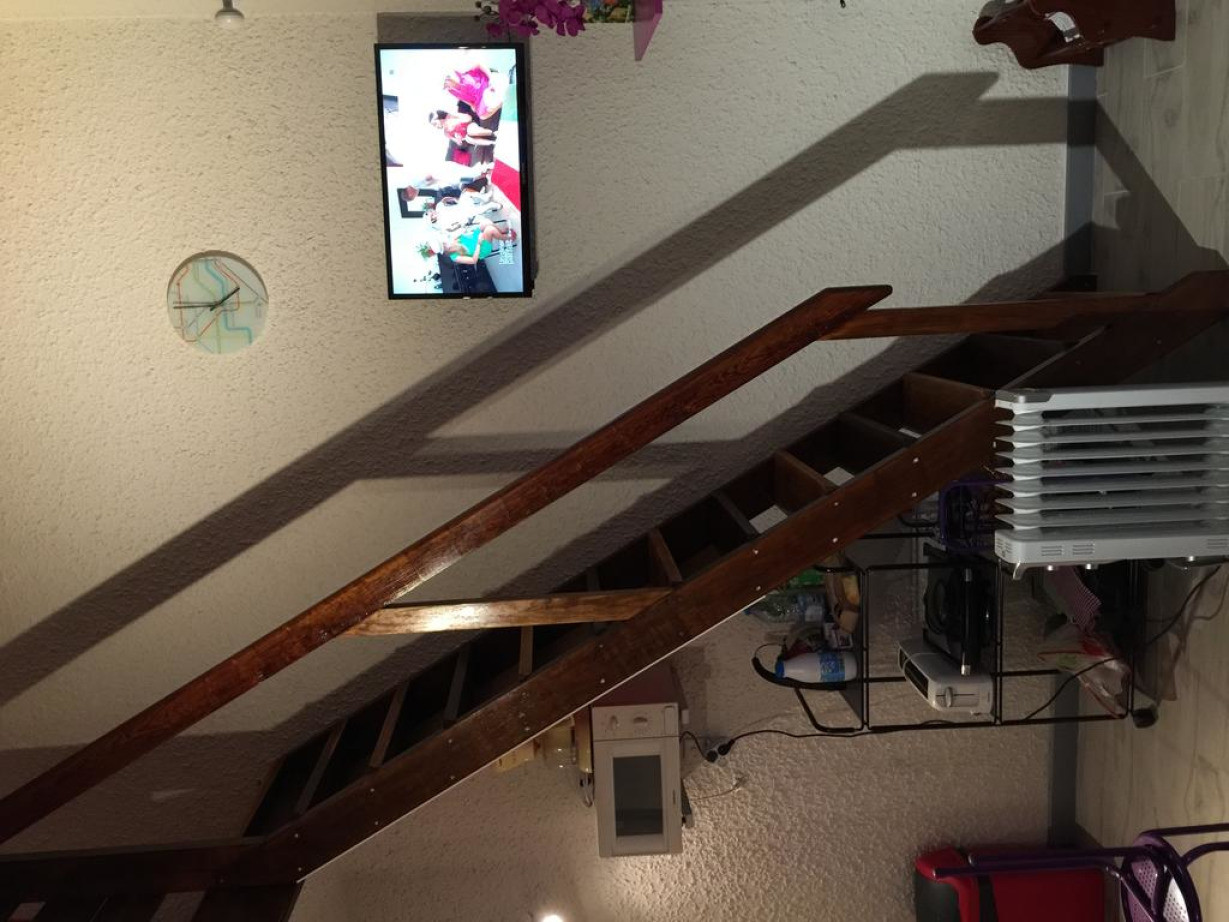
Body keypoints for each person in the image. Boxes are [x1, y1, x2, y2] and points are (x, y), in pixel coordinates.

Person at [443, 220, 516, 265]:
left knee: (487, 223)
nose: (448, 242)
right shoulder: (455, 257)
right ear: (448, 249)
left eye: (445, 243)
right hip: (480, 248)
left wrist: (463, 228)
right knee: (490, 229)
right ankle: (507, 238)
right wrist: (478, 243)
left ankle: (501, 232)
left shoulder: (453, 240)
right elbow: (473, 261)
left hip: (475, 237)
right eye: (447, 245)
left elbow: (464, 232)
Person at [429, 109, 496, 147]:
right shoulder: (446, 133)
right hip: (467, 137)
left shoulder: (451, 116)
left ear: (439, 117)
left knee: (470, 131)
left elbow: (469, 118)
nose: (436, 126)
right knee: (468, 139)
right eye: (434, 125)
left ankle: (493, 133)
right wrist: (459, 139)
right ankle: (492, 143)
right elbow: (459, 142)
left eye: (435, 124)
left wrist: (457, 122)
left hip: (469, 125)